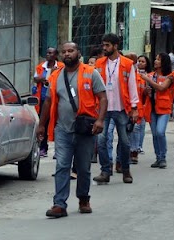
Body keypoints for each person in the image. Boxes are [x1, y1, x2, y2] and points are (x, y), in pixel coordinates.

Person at [38, 42, 107, 218]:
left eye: (71, 50)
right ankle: (59, 204)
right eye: (64, 51)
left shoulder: (91, 73)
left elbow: (103, 97)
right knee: (62, 165)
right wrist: (41, 125)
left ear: (78, 52)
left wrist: (100, 120)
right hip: (63, 129)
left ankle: (83, 198)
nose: (67, 54)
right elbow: (48, 101)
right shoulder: (55, 76)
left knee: (83, 168)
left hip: (85, 129)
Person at [92, 33, 139, 184]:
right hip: (103, 110)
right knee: (101, 140)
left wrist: (134, 107)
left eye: (107, 45)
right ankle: (105, 171)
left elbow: (132, 85)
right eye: (103, 45)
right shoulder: (99, 64)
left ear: (115, 46)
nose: (104, 48)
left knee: (125, 142)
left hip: (121, 108)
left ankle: (125, 170)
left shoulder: (127, 64)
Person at [140, 53, 174, 169]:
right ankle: (158, 158)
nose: (155, 61)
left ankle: (163, 157)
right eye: (155, 58)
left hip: (164, 108)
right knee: (155, 134)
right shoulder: (151, 75)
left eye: (158, 59)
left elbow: (162, 88)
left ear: (164, 62)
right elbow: (145, 92)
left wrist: (148, 81)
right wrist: (146, 90)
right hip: (152, 108)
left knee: (160, 132)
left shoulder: (169, 76)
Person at [33, 47, 64, 158]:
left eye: (51, 53)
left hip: (57, 99)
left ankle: (58, 150)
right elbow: (35, 78)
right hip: (43, 99)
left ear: (56, 55)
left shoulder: (61, 67)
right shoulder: (41, 67)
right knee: (43, 123)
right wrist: (42, 79)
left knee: (56, 124)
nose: (48, 55)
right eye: (47, 52)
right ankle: (43, 148)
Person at [130, 55, 150, 164]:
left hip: (140, 106)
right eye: (138, 61)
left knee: (136, 128)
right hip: (128, 106)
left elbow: (144, 94)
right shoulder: (130, 75)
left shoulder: (144, 77)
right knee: (129, 129)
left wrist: (147, 91)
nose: (139, 63)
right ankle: (129, 150)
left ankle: (134, 151)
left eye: (142, 61)